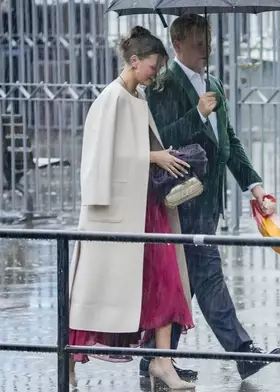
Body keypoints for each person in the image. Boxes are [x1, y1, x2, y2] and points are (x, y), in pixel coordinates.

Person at [141, 13, 280, 381]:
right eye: (197, 43)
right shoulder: (164, 85)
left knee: (185, 282)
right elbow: (161, 139)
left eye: (208, 41)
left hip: (209, 202)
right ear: (177, 45)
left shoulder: (214, 84)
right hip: (181, 200)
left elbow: (229, 143)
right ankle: (242, 352)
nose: (206, 49)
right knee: (207, 277)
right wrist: (197, 113)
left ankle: (153, 356)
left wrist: (255, 186)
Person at [68, 26, 196, 390]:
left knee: (167, 283)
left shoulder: (135, 97)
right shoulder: (110, 99)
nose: (156, 72)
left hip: (145, 209)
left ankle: (162, 362)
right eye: (153, 66)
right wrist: (153, 155)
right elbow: (98, 160)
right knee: (93, 293)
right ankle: (70, 358)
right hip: (116, 213)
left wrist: (158, 156)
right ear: (134, 61)